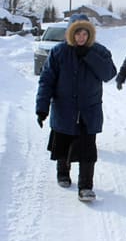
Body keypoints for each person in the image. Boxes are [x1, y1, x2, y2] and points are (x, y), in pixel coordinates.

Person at [35, 14, 117, 202]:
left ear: (90, 34)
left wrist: (89, 55)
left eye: (85, 34)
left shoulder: (99, 51)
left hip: (89, 110)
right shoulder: (58, 52)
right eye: (77, 33)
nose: (81, 37)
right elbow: (46, 81)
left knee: (88, 150)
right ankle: (63, 172)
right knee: (63, 144)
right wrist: (42, 108)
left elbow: (109, 73)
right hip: (64, 109)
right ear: (70, 34)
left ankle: (86, 187)